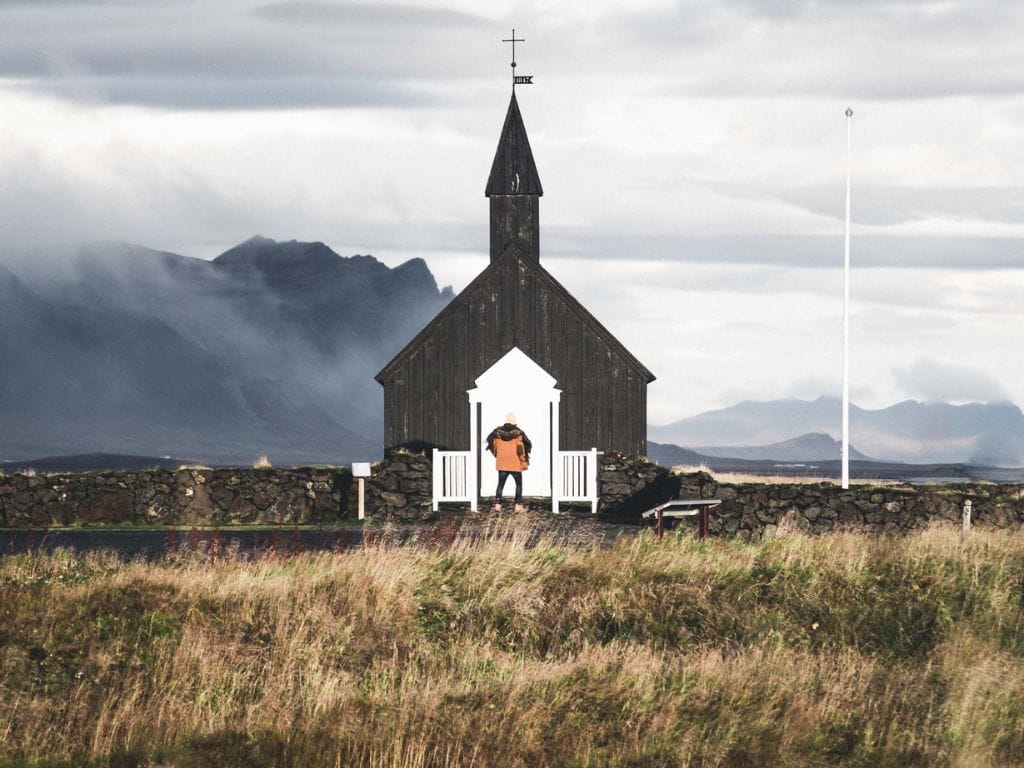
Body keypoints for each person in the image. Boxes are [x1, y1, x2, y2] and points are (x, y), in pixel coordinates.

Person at [486, 412, 531, 513]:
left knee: (500, 484)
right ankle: (518, 506)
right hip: (515, 463)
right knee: (518, 484)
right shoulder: (518, 434)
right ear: (514, 423)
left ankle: (498, 505)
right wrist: (523, 462)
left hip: (502, 463)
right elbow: (520, 449)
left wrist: (499, 456)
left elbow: (494, 448)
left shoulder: (496, 434)